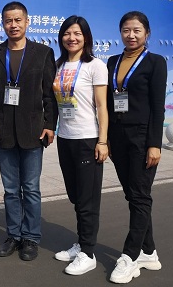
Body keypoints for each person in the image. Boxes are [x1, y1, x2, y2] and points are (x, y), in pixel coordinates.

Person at [0, 1, 58, 261]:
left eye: (17, 20)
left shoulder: (43, 53)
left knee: (31, 188)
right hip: (3, 131)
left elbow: (49, 94)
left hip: (33, 131)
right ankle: (13, 235)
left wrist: (50, 124)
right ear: (2, 24)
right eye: (8, 21)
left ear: (27, 22)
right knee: (11, 189)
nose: (13, 25)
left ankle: (31, 238)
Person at [106, 11, 166, 283]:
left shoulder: (155, 62)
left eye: (136, 30)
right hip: (118, 136)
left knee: (141, 196)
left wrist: (154, 144)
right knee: (133, 195)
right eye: (126, 30)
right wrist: (106, 138)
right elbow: (109, 102)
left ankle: (130, 257)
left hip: (142, 137)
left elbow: (158, 107)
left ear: (147, 33)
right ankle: (149, 252)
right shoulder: (112, 62)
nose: (131, 35)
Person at [52, 16, 109, 276]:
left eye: (77, 33)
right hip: (65, 138)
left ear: (86, 37)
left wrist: (102, 141)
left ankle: (88, 253)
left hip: (88, 138)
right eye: (67, 33)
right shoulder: (58, 65)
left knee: (88, 199)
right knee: (76, 195)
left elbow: (102, 106)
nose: (71, 38)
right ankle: (81, 243)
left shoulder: (95, 66)